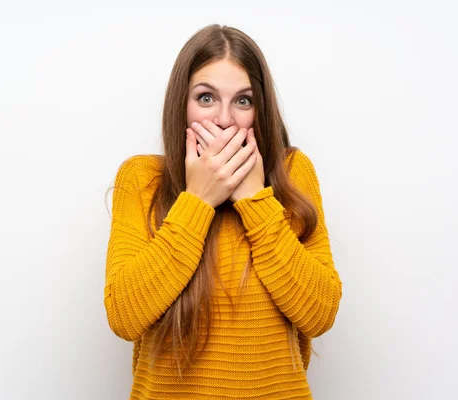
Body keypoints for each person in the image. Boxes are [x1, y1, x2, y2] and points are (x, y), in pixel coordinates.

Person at [104, 23, 343, 399]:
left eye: (243, 101)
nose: (224, 119)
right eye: (206, 98)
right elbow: (124, 316)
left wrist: (255, 200)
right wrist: (196, 202)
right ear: (180, 105)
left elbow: (320, 313)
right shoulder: (142, 179)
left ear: (259, 110)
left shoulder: (293, 172)